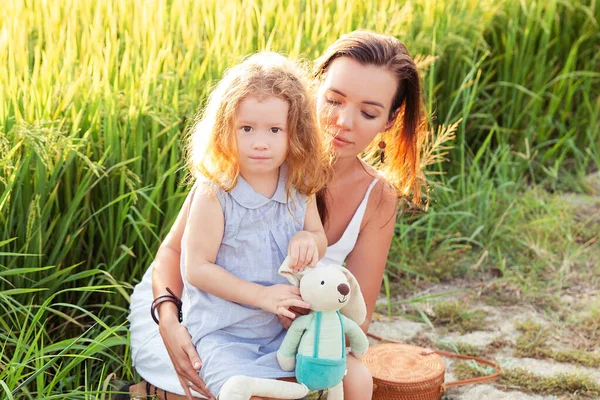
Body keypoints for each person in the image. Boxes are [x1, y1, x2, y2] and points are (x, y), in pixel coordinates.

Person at [125, 30, 426, 400]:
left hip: (284, 322)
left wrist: (304, 318)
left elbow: (357, 313)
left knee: (347, 381)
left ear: (389, 121)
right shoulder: (247, 163)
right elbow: (175, 258)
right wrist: (170, 323)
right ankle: (152, 391)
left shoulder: (375, 196)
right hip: (195, 308)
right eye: (333, 100)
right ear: (311, 92)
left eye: (367, 112)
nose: (343, 121)